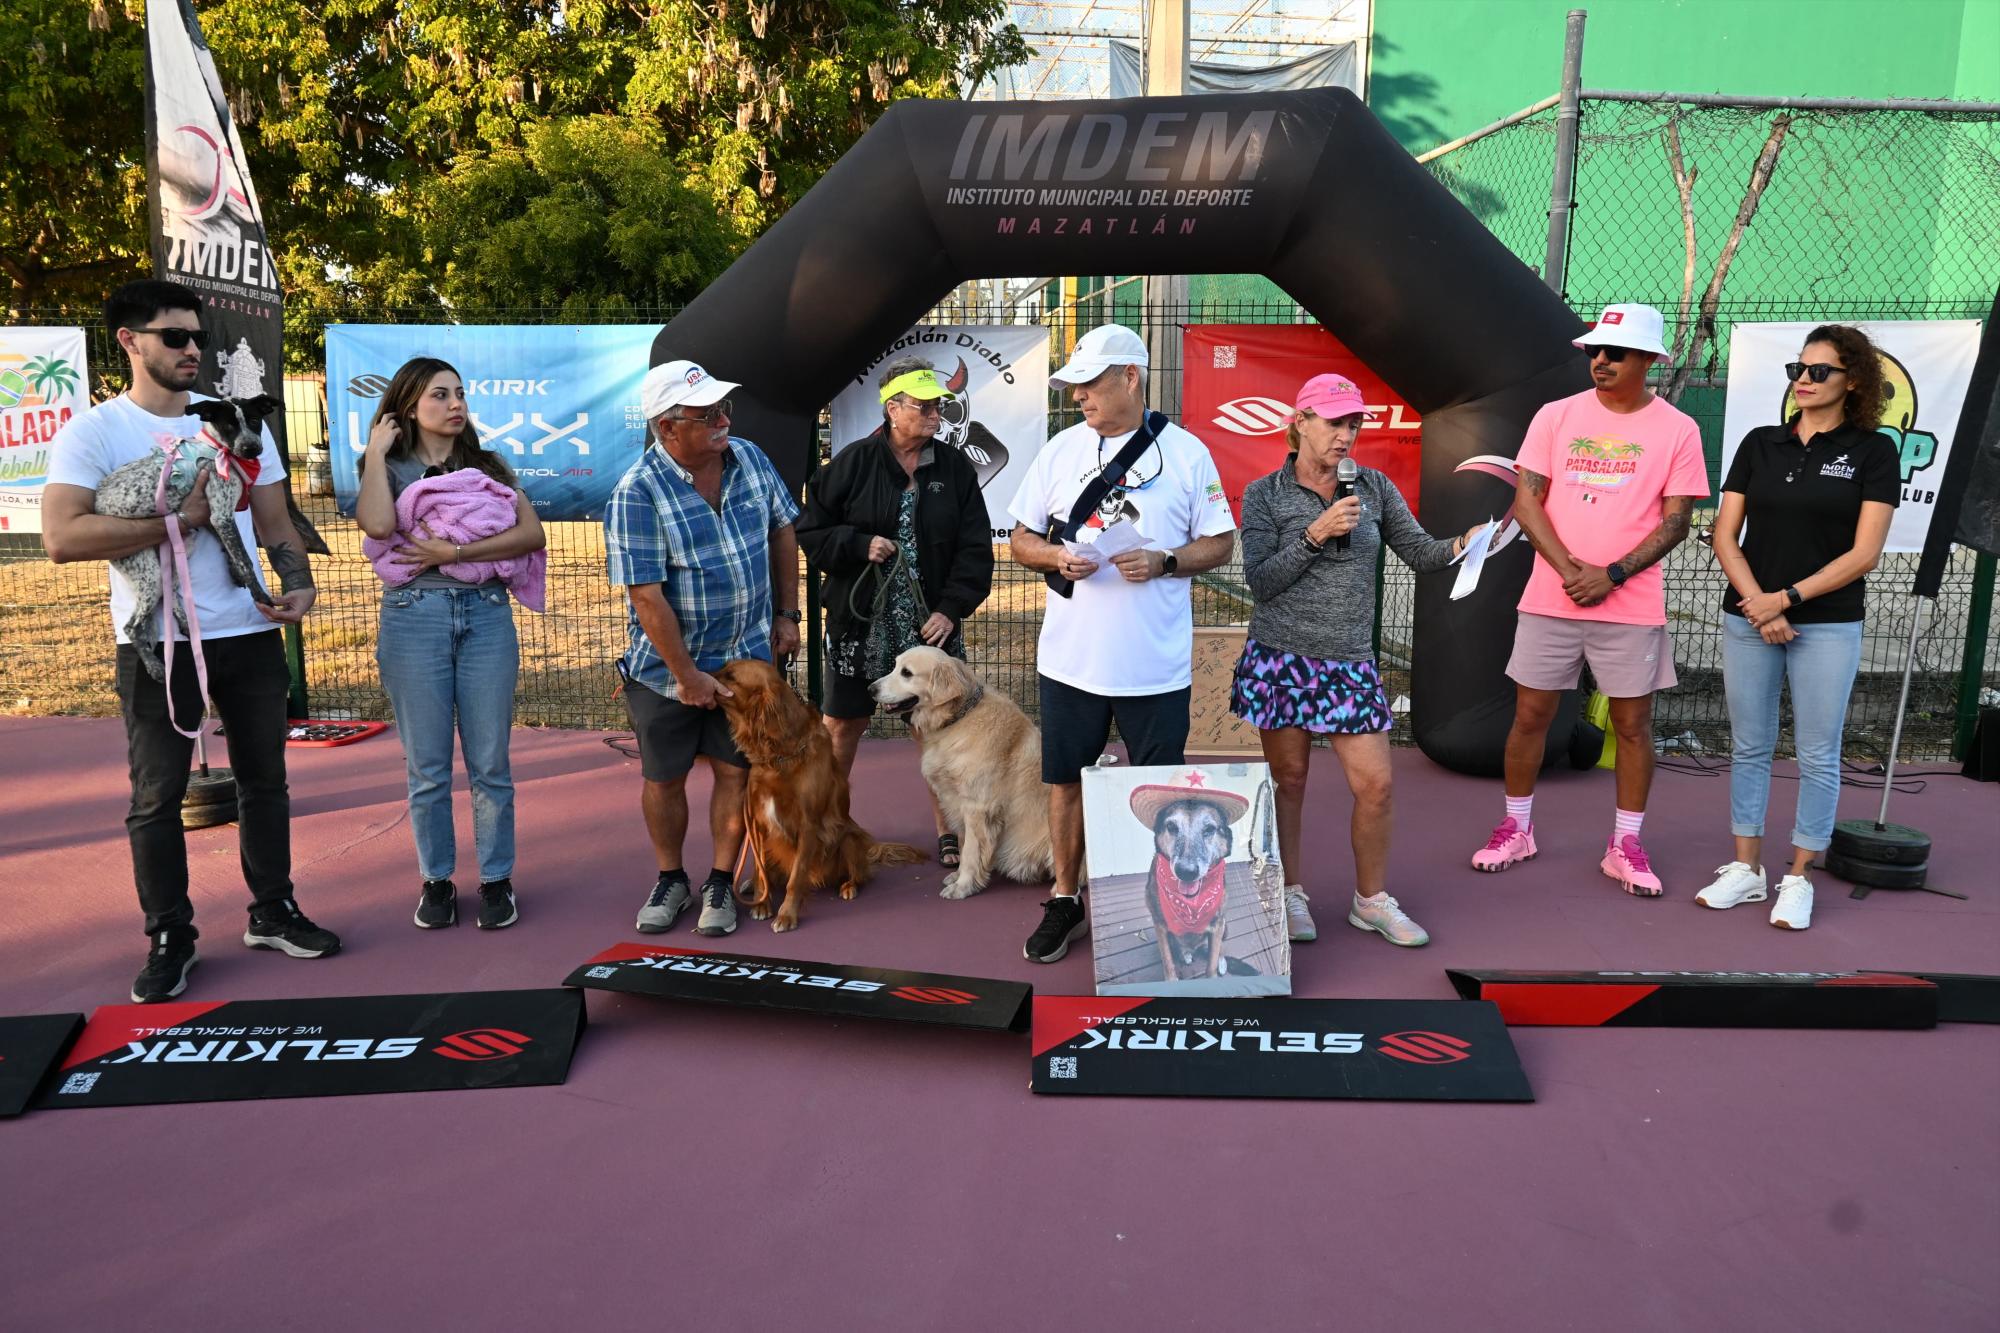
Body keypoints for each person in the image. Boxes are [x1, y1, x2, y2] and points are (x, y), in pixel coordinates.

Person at [42, 278, 339, 1002]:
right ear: (129, 341)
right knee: (157, 795)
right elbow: (62, 536)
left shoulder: (242, 422)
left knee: (265, 780)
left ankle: (273, 908)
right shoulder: (97, 432)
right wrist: (181, 521)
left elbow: (273, 523)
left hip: (247, 632)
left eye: (198, 337)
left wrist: (295, 580)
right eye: (175, 336)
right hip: (157, 641)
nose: (192, 349)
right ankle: (169, 932)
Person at [1006, 324, 1237, 963]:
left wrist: (1164, 561)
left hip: (1154, 667)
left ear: (1130, 377)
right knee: (1066, 781)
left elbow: (1221, 540)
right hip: (1071, 661)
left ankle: (1152, 910)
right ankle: (1064, 898)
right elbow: (1021, 539)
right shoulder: (1058, 451)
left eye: (1089, 384)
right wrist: (1057, 554)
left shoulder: (1188, 454)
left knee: (1160, 792)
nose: (1078, 397)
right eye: (1074, 387)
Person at [1234, 374, 1484, 948]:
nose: (1346, 435)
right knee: (1289, 781)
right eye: (1333, 422)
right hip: (1283, 658)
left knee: (1376, 786)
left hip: (1350, 661)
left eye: (1354, 424)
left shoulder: (1373, 485)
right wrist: (1315, 534)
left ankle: (1370, 902)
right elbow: (1262, 582)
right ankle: (1290, 893)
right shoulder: (1264, 494)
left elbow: (1419, 552)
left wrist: (1460, 545)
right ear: (1301, 423)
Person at [1470, 302, 1709, 895]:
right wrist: (1575, 572)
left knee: (1632, 725)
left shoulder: (1679, 430)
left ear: (1649, 360)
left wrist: (1613, 574)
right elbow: (1527, 502)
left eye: (1615, 352)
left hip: (1630, 605)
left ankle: (1625, 842)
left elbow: (1677, 522)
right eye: (1595, 351)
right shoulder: (1555, 416)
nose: (1600, 360)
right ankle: (1516, 828)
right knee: (1530, 716)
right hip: (1550, 599)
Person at [1697, 325, 1898, 930]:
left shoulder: (1874, 451)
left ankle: (1800, 877)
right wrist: (1759, 603)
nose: (1803, 381)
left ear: (1853, 380)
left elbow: (1865, 554)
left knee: (1816, 753)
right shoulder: (1761, 444)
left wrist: (1787, 598)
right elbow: (1723, 536)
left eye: (1819, 371)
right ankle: (1748, 871)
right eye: (1797, 370)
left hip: (1828, 626)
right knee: (1750, 746)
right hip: (1751, 619)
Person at [605, 359, 802, 938]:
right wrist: (687, 675)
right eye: (706, 414)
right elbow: (647, 597)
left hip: (748, 662)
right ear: (667, 428)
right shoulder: (636, 493)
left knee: (734, 772)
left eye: (724, 409)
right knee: (664, 776)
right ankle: (671, 878)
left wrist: (787, 613)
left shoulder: (751, 459)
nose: (722, 421)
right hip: (665, 671)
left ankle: (719, 878)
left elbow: (782, 529)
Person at [356, 357, 546, 931]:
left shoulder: (488, 466)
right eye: (441, 395)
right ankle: (436, 881)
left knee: (491, 763)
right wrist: (373, 454)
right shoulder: (388, 468)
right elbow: (378, 527)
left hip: (486, 615)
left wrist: (453, 554)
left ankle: (496, 881)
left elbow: (532, 533)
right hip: (414, 619)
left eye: (460, 394)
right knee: (429, 766)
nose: (456, 404)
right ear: (409, 405)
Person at [796, 357, 993, 867]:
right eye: (924, 406)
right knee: (841, 724)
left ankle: (947, 829)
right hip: (860, 618)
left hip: (930, 622)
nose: (935, 415)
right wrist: (858, 544)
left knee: (935, 725)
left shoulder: (953, 469)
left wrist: (952, 609)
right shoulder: (851, 464)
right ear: (893, 408)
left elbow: (975, 549)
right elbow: (811, 532)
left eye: (938, 406)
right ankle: (825, 829)